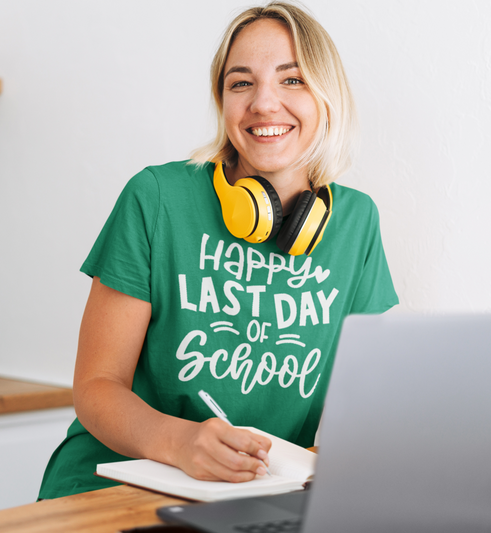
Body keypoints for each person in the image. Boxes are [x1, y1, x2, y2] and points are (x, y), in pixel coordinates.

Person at [38, 0, 398, 499]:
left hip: (254, 494)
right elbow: (97, 387)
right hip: (112, 485)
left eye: (292, 80)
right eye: (241, 82)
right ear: (222, 101)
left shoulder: (357, 222)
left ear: (327, 96)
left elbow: (369, 401)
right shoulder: (157, 197)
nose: (264, 103)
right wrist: (179, 440)